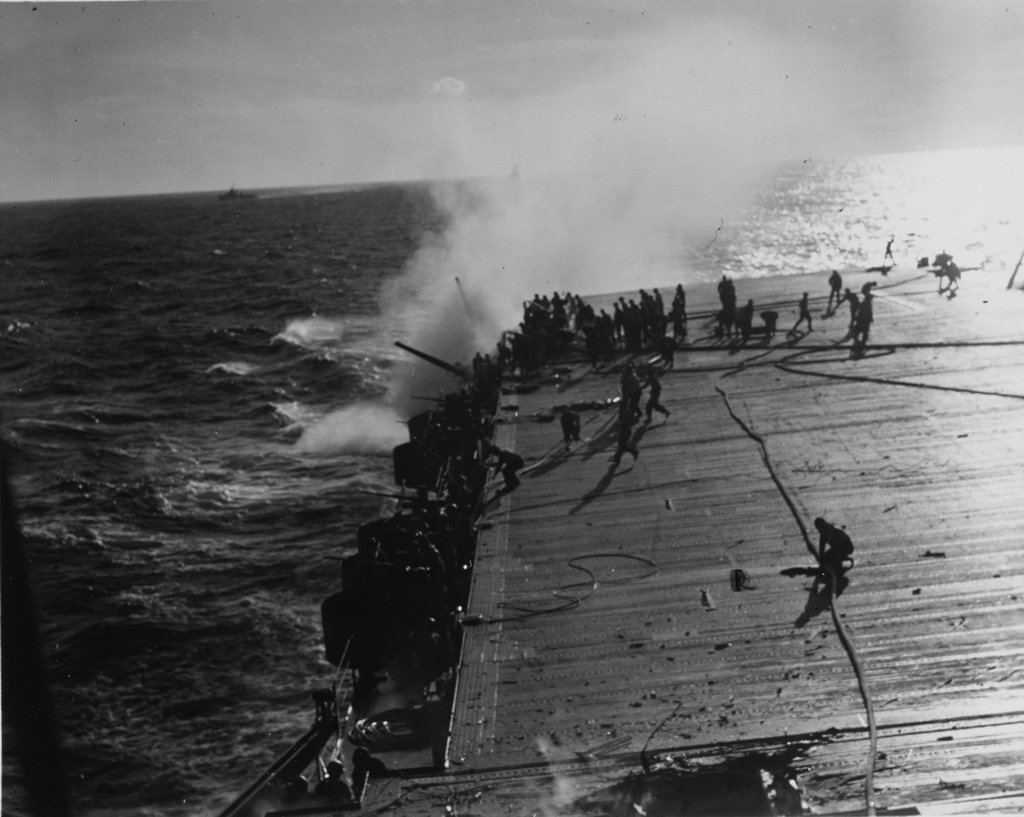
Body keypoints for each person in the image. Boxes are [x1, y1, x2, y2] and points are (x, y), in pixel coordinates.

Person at [813, 517, 855, 586]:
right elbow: (822, 547)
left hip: (846, 546)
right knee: (828, 557)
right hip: (840, 546)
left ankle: (839, 569)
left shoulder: (830, 530)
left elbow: (831, 547)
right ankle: (837, 566)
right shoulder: (825, 530)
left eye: (818, 528)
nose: (818, 530)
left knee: (833, 557)